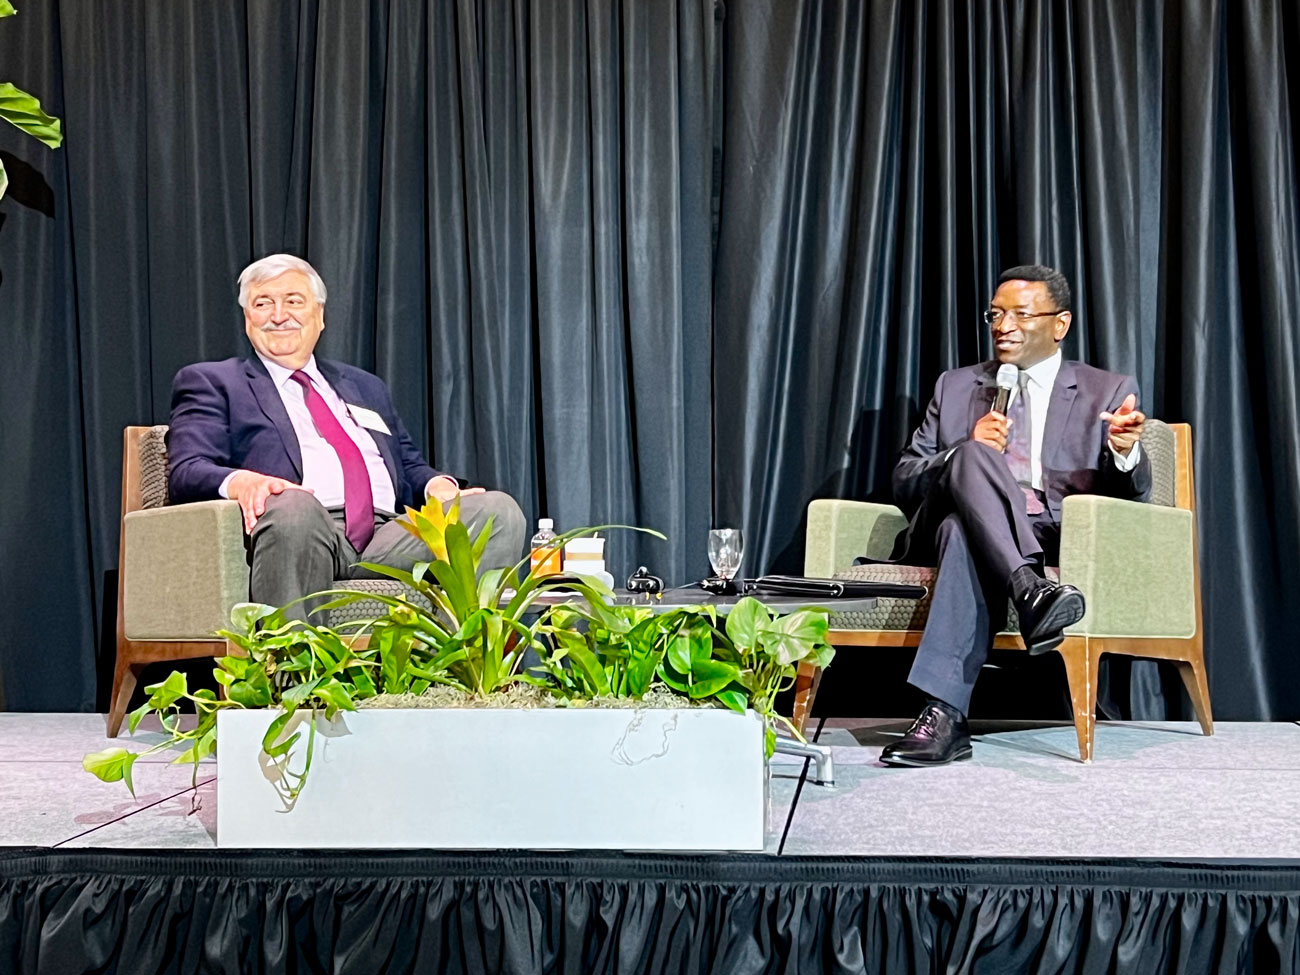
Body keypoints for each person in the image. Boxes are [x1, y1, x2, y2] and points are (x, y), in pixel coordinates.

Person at [880, 265, 1150, 767]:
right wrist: (959, 454)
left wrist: (1123, 452)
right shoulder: (957, 386)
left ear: (1059, 323)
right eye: (996, 314)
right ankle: (1030, 590)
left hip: (1046, 532)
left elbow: (1129, 494)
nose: (1003, 325)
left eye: (1020, 314)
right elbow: (903, 479)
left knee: (963, 532)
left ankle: (943, 717)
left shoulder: (1104, 390)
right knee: (973, 459)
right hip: (939, 521)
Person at [167, 253, 527, 618]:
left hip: (389, 534)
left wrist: (438, 486)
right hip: (303, 527)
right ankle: (293, 668)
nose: (279, 315)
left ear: (319, 315)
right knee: (293, 505)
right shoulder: (214, 381)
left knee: (497, 511)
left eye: (293, 301)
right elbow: (187, 470)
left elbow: (406, 463)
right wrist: (243, 482)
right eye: (263, 303)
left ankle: (475, 668)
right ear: (248, 318)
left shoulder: (364, 386)